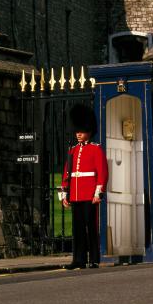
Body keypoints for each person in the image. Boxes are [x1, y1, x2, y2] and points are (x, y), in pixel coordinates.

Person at [59, 104, 108, 270]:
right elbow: (67, 174)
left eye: (82, 131)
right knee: (78, 229)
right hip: (76, 195)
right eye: (77, 131)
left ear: (89, 131)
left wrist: (98, 193)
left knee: (91, 228)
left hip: (89, 194)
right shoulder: (72, 151)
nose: (78, 134)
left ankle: (93, 259)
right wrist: (64, 195)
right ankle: (78, 259)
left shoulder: (96, 150)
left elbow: (102, 173)